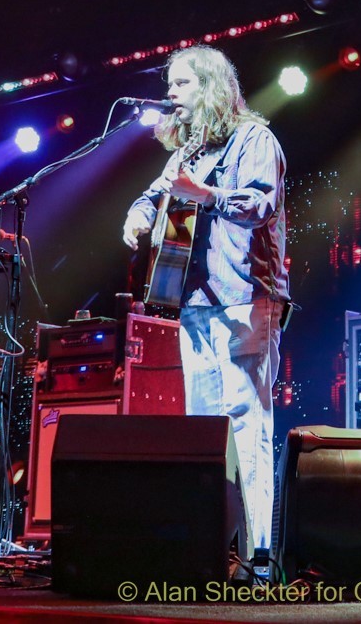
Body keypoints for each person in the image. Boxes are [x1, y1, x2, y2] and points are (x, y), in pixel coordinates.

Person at [121, 47, 289, 560]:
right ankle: (216, 547)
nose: (170, 93)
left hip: (244, 297)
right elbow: (154, 194)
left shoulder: (255, 139)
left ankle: (257, 554)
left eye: (182, 83)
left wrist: (205, 194)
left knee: (245, 422)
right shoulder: (187, 153)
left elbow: (259, 205)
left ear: (211, 85)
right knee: (203, 429)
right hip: (192, 301)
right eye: (170, 84)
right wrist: (137, 213)